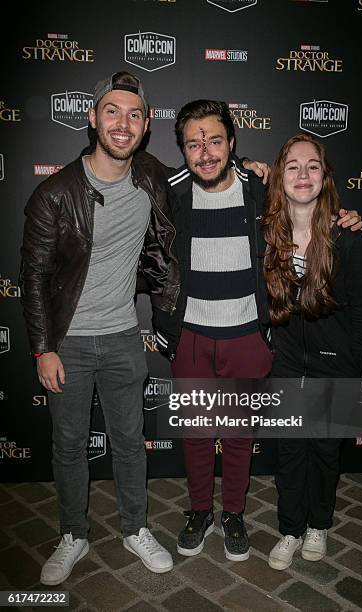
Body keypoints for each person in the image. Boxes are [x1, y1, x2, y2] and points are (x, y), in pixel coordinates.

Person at [152, 101, 362, 563]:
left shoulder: (257, 188)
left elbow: (307, 206)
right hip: (190, 333)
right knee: (197, 431)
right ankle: (199, 511)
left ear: (232, 142)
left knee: (241, 433)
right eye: (193, 143)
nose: (204, 152)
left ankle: (234, 514)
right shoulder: (168, 191)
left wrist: (345, 218)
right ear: (182, 150)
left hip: (248, 333)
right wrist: (166, 326)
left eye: (214, 140)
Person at [19, 71, 180, 584]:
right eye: (112, 111)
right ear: (92, 118)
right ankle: (73, 534)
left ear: (146, 125)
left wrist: (255, 170)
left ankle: (135, 528)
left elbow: (208, 177)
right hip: (67, 342)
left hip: (123, 338)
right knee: (68, 444)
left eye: (134, 114)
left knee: (130, 442)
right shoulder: (55, 194)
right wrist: (43, 348)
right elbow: (34, 277)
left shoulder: (152, 177)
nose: (122, 123)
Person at [263, 133, 362, 570]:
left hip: (336, 368)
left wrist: (351, 366)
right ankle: (290, 529)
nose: (303, 174)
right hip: (287, 363)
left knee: (326, 452)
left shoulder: (347, 236)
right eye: (293, 166)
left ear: (325, 176)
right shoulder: (268, 233)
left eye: (312, 166)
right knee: (290, 451)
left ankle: (318, 527)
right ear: (280, 176)